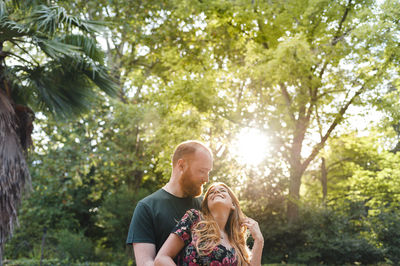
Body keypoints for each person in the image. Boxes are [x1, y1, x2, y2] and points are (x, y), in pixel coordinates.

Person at [126, 140, 213, 266]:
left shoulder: (206, 206)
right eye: (202, 171)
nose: (206, 179)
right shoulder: (147, 207)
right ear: (181, 165)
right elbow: (145, 263)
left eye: (208, 172)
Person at [154, 182, 264, 265]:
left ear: (233, 205)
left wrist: (259, 240)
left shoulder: (237, 244)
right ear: (207, 205)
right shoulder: (194, 219)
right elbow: (161, 259)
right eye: (211, 192)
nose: (216, 192)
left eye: (222, 190)